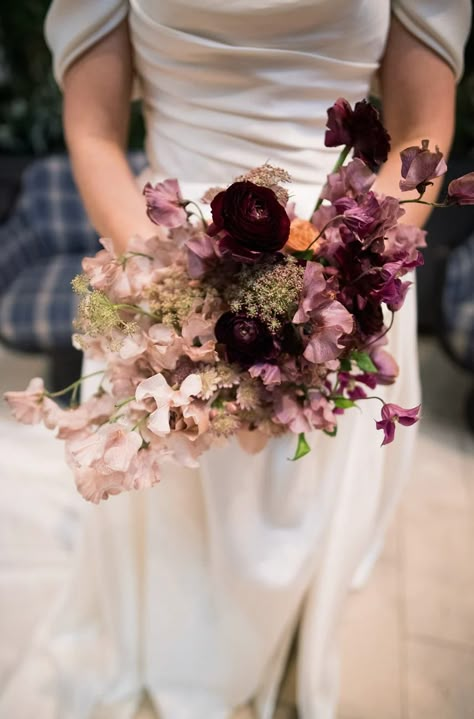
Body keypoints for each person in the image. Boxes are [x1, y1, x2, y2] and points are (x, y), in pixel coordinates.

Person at [1, 2, 471, 718]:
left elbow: (421, 132)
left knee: (300, 516)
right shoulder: (166, 284)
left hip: (337, 264)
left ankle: (286, 655)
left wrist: (339, 274)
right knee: (174, 524)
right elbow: (94, 130)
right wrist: (171, 294)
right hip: (163, 257)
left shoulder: (339, 274)